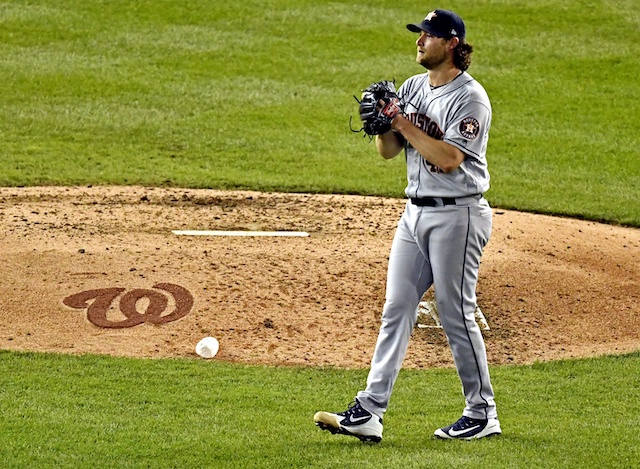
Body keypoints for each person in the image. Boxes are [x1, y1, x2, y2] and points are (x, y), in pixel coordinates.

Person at [314, 9, 501, 442]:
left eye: (429, 36)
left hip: (459, 215)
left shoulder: (470, 98)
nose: (419, 41)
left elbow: (450, 159)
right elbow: (388, 151)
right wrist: (381, 125)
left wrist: (398, 119)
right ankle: (369, 410)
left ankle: (482, 412)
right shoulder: (413, 87)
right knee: (397, 308)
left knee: (455, 313)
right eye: (419, 34)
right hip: (414, 214)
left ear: (452, 43)